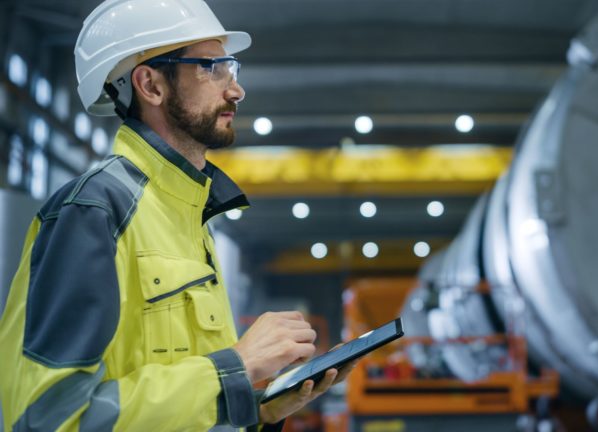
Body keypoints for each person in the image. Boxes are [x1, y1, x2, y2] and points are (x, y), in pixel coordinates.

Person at [0, 0, 355, 430]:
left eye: (231, 69)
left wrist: (255, 409)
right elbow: (50, 418)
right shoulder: (94, 211)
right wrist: (235, 367)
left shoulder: (187, 217)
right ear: (151, 85)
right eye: (210, 68)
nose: (235, 90)